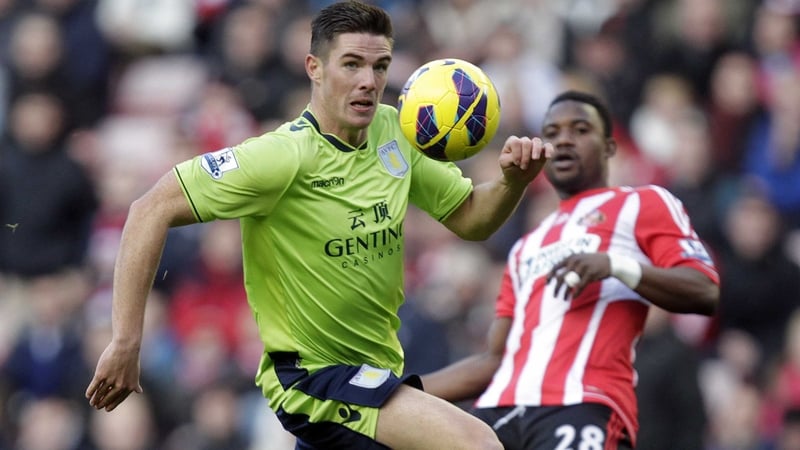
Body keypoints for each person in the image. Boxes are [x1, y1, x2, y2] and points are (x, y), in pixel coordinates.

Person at [84, 2, 553, 449]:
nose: (368, 81)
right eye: (352, 64)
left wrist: (512, 182)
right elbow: (149, 209)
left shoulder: (395, 131)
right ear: (315, 67)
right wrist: (126, 342)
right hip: (312, 379)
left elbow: (471, 219)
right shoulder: (281, 157)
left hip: (377, 370)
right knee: (477, 443)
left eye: (380, 67)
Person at [421, 90, 720, 449]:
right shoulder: (526, 247)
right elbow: (495, 359)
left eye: (580, 130)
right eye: (552, 133)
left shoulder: (642, 203)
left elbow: (704, 290)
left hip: (579, 404)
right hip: (498, 413)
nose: (563, 140)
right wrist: (403, 391)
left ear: (609, 146)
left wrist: (615, 266)